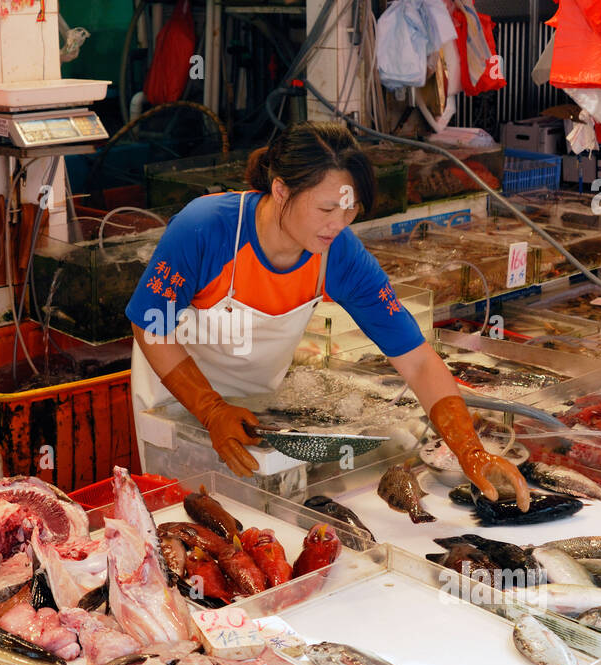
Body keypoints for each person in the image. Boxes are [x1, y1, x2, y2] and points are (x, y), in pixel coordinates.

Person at [126, 121, 530, 510]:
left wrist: (469, 449)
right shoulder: (206, 227)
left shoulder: (338, 252)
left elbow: (418, 359)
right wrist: (211, 409)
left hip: (258, 411)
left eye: (349, 211)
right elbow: (151, 325)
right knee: (184, 519)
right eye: (325, 209)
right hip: (176, 400)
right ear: (281, 190)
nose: (337, 225)